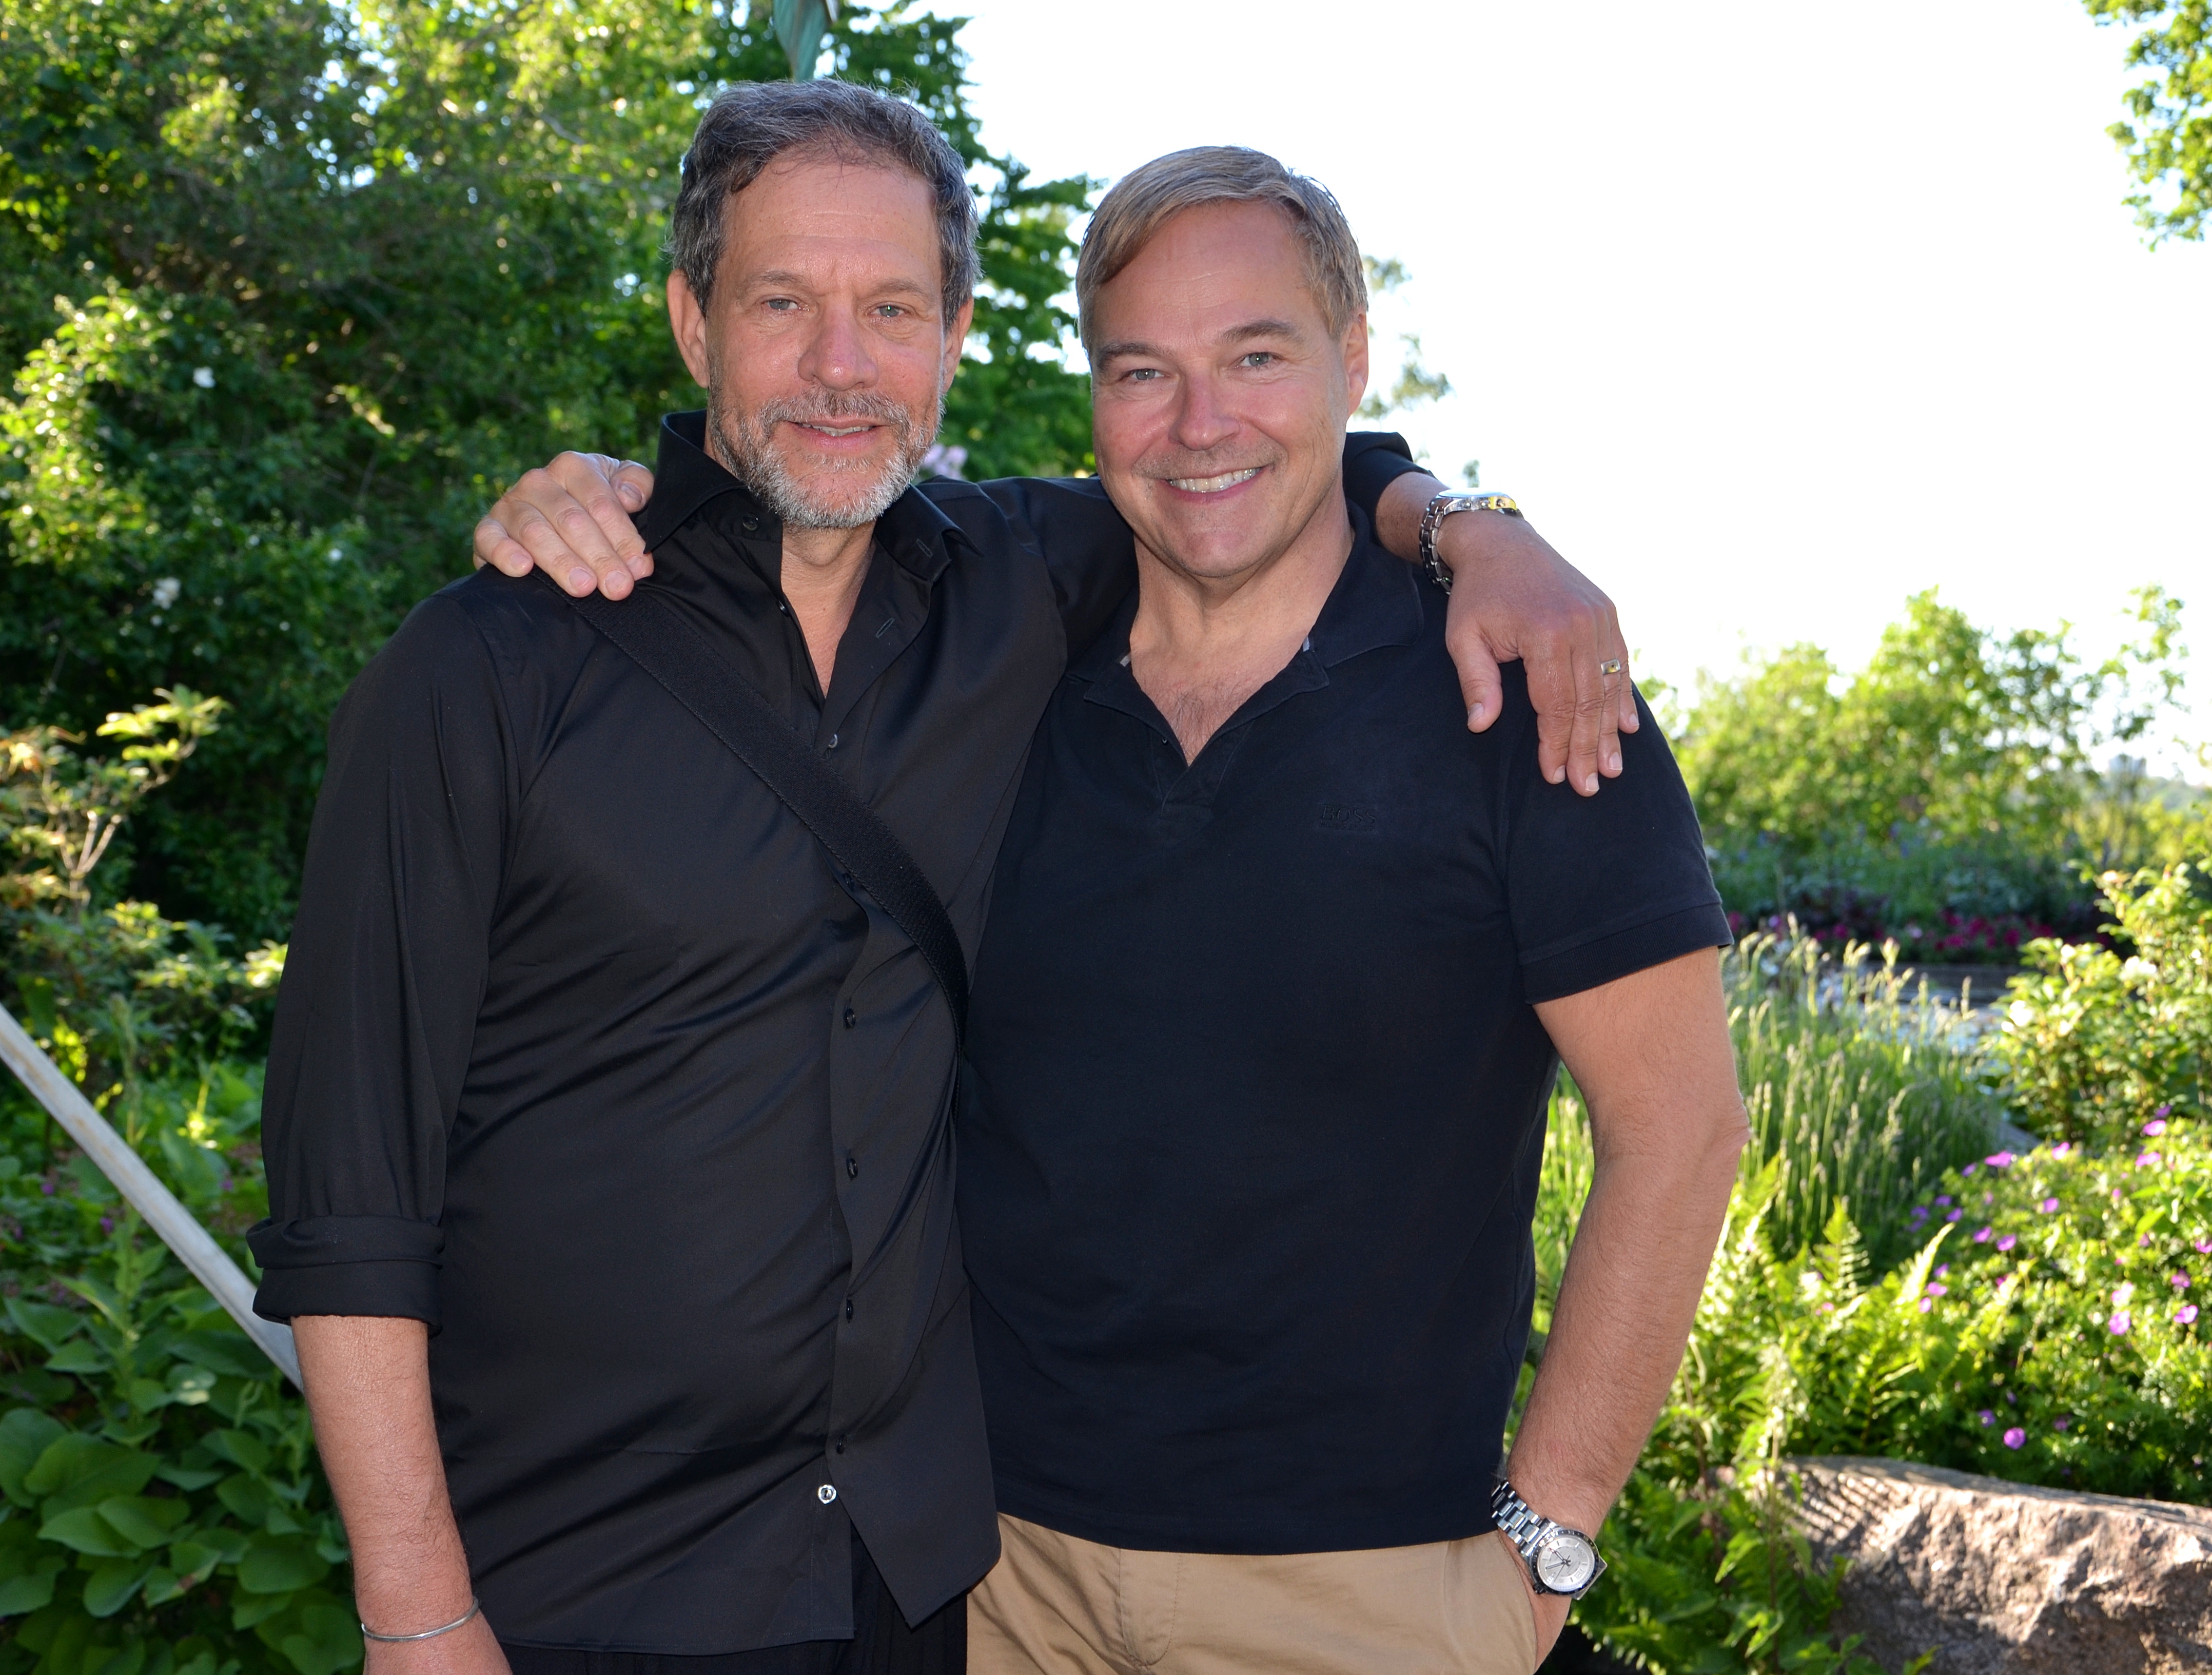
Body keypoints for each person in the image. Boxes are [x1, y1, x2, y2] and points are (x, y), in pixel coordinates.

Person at [250, 81, 1636, 1675]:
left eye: (893, 309)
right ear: (694, 321)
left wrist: (1474, 525)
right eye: (783, 303)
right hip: (578, 1591)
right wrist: (419, 1616)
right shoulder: (489, 667)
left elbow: (1257, 457)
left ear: (957, 334)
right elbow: (351, 1198)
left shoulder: (1029, 586)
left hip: (924, 1598)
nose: (842, 366)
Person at [943, 147, 1749, 1675]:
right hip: (1001, 1585)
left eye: (1257, 356)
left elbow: (1682, 1130)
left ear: (1353, 358)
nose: (1200, 423)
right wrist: (595, 496)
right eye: (1143, 370)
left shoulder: (1525, 691)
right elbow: (783, 522)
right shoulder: (1002, 666)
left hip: (1369, 1596)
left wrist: (1546, 1543)